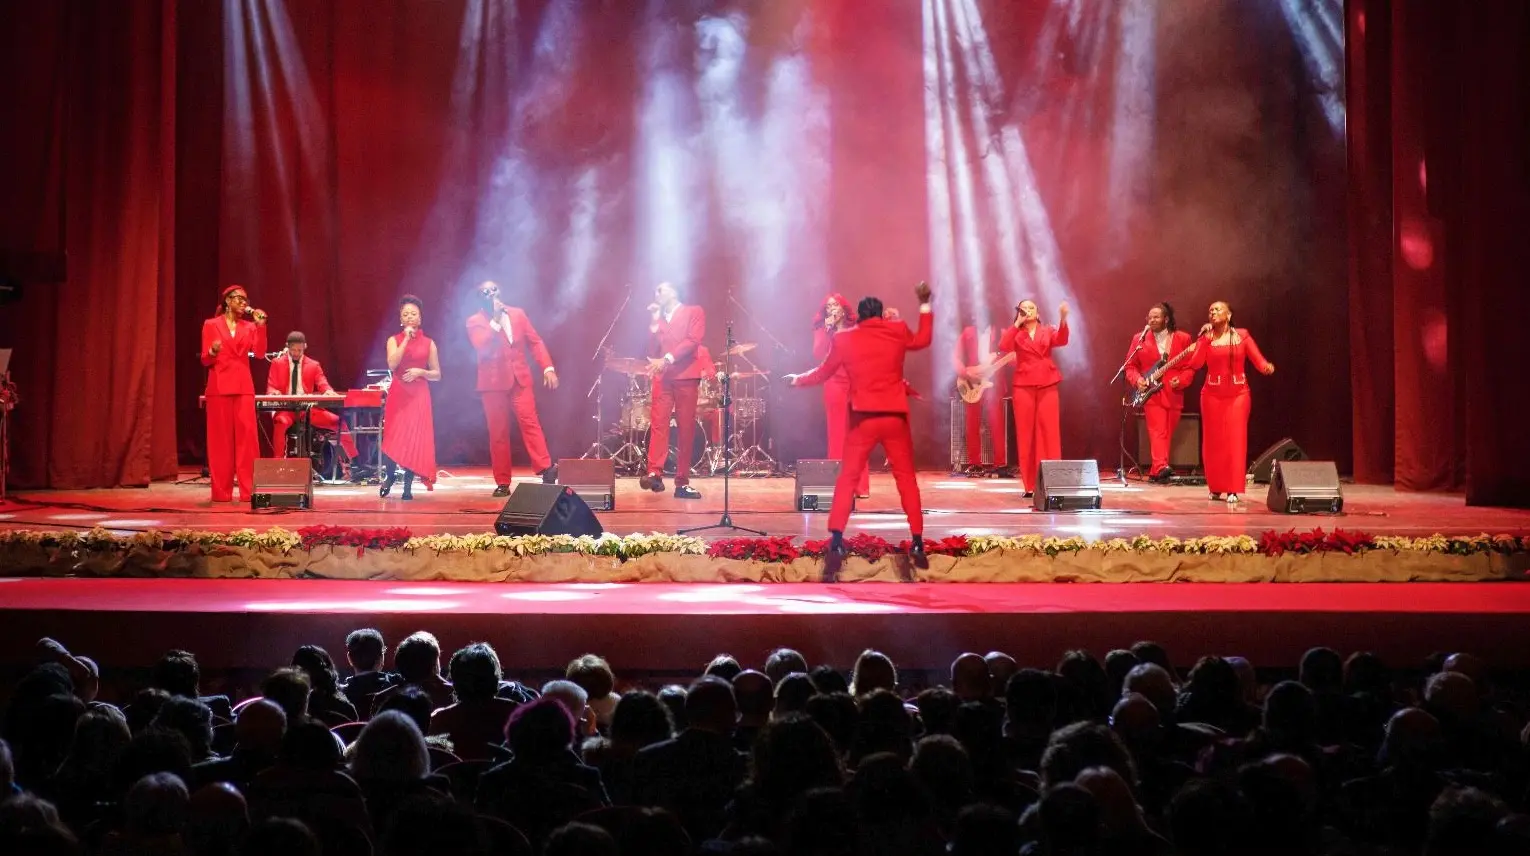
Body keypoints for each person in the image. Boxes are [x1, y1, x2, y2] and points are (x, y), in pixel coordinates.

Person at [787, 282, 934, 579]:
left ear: (858, 315)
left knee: (846, 479)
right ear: (880, 314)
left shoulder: (845, 339)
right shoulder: (896, 330)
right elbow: (923, 339)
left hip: (863, 416)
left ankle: (836, 539)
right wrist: (924, 304)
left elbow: (822, 372)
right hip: (893, 417)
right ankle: (918, 539)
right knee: (906, 479)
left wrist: (796, 380)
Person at [466, 280, 561, 497]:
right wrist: (495, 320)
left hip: (520, 378)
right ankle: (502, 481)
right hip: (493, 383)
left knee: (530, 422)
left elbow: (535, 342)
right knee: (498, 432)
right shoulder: (475, 321)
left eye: (494, 289)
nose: (491, 294)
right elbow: (482, 345)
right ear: (480, 298)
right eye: (485, 292)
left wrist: (547, 367)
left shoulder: (517, 314)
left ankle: (545, 468)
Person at [1185, 301, 1274, 503]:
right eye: (1210, 310)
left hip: (1238, 394)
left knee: (1235, 440)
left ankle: (1233, 488)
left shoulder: (1242, 335)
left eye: (1217, 309)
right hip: (1211, 395)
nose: (1213, 312)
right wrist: (1203, 340)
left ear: (1229, 315)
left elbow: (1258, 359)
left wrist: (1265, 367)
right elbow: (1196, 363)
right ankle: (1216, 487)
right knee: (1213, 442)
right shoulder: (1207, 338)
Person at [201, 284, 268, 503]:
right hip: (219, 388)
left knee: (247, 441)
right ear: (228, 301)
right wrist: (212, 351)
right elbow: (205, 360)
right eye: (239, 298)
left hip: (243, 388)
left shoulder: (249, 327)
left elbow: (259, 354)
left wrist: (261, 327)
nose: (243, 303)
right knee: (220, 442)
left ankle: (249, 492)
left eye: (245, 300)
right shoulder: (211, 324)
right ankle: (221, 493)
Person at [640, 281, 707, 499]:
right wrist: (653, 323)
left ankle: (682, 482)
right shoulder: (659, 320)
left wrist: (667, 359)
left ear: (675, 291)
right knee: (658, 424)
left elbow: (693, 340)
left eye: (661, 289)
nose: (657, 292)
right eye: (655, 290)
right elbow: (652, 351)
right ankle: (654, 473)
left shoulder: (694, 311)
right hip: (663, 378)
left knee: (686, 428)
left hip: (686, 375)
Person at [999, 298, 1069, 497]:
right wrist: (1017, 323)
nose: (1028, 311)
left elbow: (1062, 340)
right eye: (1024, 308)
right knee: (1026, 435)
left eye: (1032, 308)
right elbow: (1004, 345)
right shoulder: (1015, 333)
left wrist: (1063, 319)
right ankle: (1030, 485)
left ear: (1038, 314)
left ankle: (1052, 482)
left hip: (1047, 384)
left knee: (1049, 432)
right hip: (1024, 387)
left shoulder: (1047, 330)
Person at [1124, 303, 1195, 482]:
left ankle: (1156, 472)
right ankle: (1161, 466)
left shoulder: (1183, 338)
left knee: (1167, 432)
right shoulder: (1139, 339)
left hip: (1174, 391)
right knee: (1158, 431)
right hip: (1151, 391)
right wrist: (1137, 380)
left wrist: (1182, 380)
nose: (1152, 320)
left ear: (1166, 319)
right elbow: (1130, 366)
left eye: (1156, 317)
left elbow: (1190, 367)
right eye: (1149, 317)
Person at [379, 295, 440, 500]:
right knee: (393, 437)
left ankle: (407, 486)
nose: (410, 317)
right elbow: (392, 364)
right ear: (401, 319)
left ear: (420, 318)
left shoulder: (429, 343)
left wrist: (421, 372)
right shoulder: (393, 340)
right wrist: (405, 339)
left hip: (419, 395)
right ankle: (389, 476)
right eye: (405, 314)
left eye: (413, 314)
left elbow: (437, 374)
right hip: (399, 394)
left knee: (414, 439)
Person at [265, 331, 357, 461]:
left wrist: (328, 391)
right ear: (287, 346)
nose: (296, 353)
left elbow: (322, 383)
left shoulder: (313, 365)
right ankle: (278, 463)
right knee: (280, 422)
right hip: (286, 409)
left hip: (307, 409)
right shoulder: (277, 363)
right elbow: (271, 386)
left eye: (299, 350)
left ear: (305, 347)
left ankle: (353, 462)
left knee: (338, 423)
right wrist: (274, 392)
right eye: (293, 350)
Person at [812, 293, 870, 499]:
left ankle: (860, 485)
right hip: (834, 384)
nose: (832, 309)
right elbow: (818, 354)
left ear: (844, 309)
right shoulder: (822, 330)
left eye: (835, 305)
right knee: (837, 434)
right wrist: (828, 330)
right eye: (828, 306)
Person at [954, 320, 1010, 476]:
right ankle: (975, 464)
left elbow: (1012, 356)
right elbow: (955, 357)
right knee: (972, 423)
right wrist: (965, 372)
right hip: (973, 382)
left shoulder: (1002, 333)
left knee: (997, 424)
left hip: (994, 384)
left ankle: (1000, 464)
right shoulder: (968, 332)